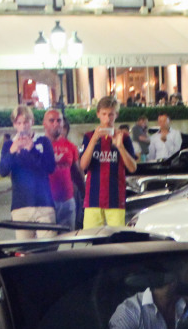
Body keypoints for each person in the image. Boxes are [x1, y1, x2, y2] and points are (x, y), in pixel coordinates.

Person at [0, 104, 56, 239]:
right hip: (21, 206)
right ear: (14, 125)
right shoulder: (9, 145)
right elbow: (2, 170)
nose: (23, 126)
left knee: (49, 249)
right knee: (25, 252)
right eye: (19, 123)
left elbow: (50, 167)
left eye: (26, 122)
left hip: (44, 205)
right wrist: (12, 151)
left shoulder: (43, 141)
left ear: (31, 122)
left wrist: (32, 149)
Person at [80, 96, 136, 228]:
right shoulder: (89, 137)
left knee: (117, 239)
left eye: (111, 115)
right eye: (104, 114)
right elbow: (83, 165)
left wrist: (120, 146)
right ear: (98, 114)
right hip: (93, 198)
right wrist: (94, 141)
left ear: (116, 115)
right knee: (90, 239)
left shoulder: (124, 137)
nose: (107, 119)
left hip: (115, 198)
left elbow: (132, 168)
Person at [44, 108, 83, 231]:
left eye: (59, 120)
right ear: (44, 123)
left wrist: (85, 193)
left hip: (68, 200)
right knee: (49, 242)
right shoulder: (38, 145)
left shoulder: (70, 146)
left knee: (67, 239)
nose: (56, 123)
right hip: (46, 202)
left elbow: (77, 172)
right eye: (51, 120)